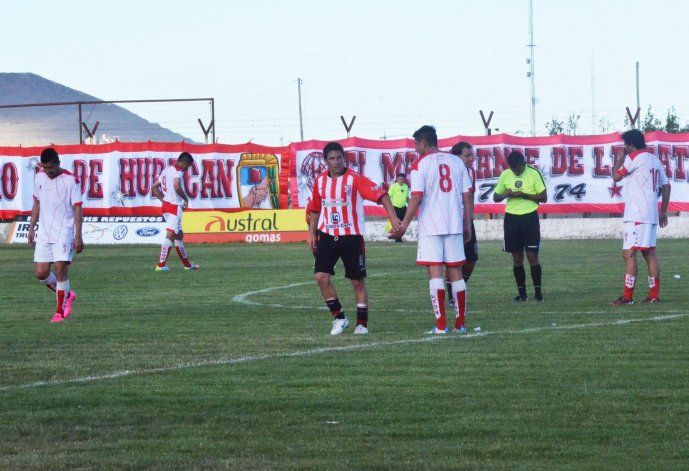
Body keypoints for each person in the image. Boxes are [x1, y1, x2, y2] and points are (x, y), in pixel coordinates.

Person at [307, 141, 401, 335]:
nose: (336, 162)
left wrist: (393, 219)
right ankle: (340, 319)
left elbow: (382, 195)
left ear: (344, 158)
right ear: (326, 161)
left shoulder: (355, 179)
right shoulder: (320, 182)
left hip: (351, 237)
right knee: (321, 277)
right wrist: (311, 233)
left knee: (357, 281)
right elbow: (315, 209)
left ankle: (361, 324)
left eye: (339, 157)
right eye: (331, 158)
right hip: (327, 235)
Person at [390, 125, 473, 334]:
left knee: (435, 273)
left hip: (430, 226)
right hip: (454, 224)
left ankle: (441, 326)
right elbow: (468, 194)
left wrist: (404, 225)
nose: (415, 149)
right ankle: (460, 325)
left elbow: (417, 197)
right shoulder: (457, 162)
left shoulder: (420, 164)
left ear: (423, 143)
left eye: (416, 144)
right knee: (456, 272)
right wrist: (467, 222)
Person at [609, 129, 671, 305]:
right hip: (651, 214)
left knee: (628, 254)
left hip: (636, 214)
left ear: (631, 145)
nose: (624, 148)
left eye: (625, 145)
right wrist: (663, 211)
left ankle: (627, 297)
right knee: (649, 253)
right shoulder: (654, 159)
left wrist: (619, 160)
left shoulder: (633, 157)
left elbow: (616, 177)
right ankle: (653, 296)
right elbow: (666, 186)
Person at [28, 148, 84, 323]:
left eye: (50, 168)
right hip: (44, 233)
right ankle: (67, 294)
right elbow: (36, 203)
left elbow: (78, 208)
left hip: (64, 232)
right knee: (40, 273)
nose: (47, 171)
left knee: (61, 271)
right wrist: (31, 228)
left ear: (58, 164)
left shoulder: (70, 180)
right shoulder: (39, 177)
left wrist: (78, 235)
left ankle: (59, 312)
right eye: (44, 167)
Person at [492, 151, 547, 302]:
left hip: (529, 218)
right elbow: (496, 198)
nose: (516, 171)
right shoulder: (505, 174)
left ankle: (538, 293)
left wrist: (524, 195)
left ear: (524, 163)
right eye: (513, 169)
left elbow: (544, 197)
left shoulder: (534, 173)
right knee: (517, 258)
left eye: (518, 168)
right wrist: (506, 195)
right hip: (511, 219)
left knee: (532, 256)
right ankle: (522, 294)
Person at [152, 152, 199, 271]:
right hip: (174, 207)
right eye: (187, 166)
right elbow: (177, 186)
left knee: (179, 236)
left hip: (166, 207)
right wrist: (185, 199)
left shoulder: (166, 170)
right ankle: (160, 265)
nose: (187, 169)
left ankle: (188, 266)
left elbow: (154, 187)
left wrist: (164, 200)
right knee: (171, 235)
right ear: (183, 163)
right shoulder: (177, 172)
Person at [446, 141, 478, 305]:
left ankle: (458, 289)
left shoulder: (471, 172)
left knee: (472, 259)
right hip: (451, 220)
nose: (471, 159)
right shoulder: (447, 171)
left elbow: (469, 196)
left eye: (471, 155)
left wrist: (469, 219)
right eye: (467, 155)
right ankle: (453, 296)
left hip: (466, 220)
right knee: (454, 260)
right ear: (456, 156)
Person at [387, 173, 410, 242]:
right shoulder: (393, 186)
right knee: (397, 223)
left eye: (403, 179)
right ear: (397, 179)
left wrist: (410, 205)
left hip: (404, 207)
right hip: (395, 207)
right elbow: (388, 196)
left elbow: (407, 198)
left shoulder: (405, 186)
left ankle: (399, 237)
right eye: (400, 179)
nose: (401, 180)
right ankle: (397, 238)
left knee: (403, 223)